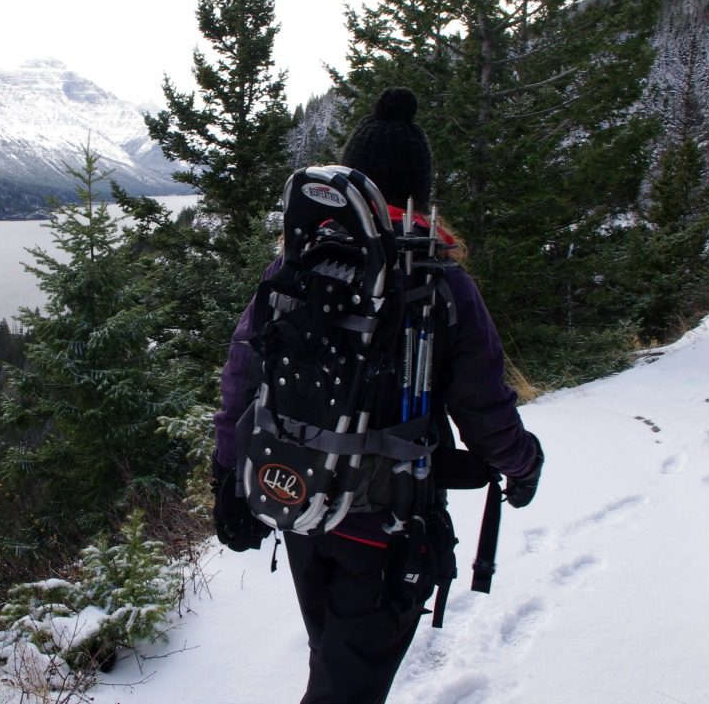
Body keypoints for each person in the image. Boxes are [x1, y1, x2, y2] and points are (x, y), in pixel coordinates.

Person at [211, 87, 544, 704]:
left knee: (332, 665)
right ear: (419, 191)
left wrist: (228, 474)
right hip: (388, 527)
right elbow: (484, 407)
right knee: (347, 688)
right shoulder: (440, 279)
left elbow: (241, 377)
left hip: (303, 501)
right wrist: (522, 465)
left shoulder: (299, 262)